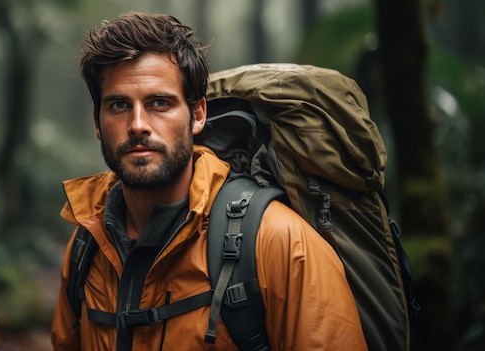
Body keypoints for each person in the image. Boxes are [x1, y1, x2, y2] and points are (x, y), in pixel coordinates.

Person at [51, 11, 368, 351]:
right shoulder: (88, 244)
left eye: (160, 102)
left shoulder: (277, 242)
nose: (138, 124)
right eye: (118, 105)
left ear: (198, 114)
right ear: (97, 122)